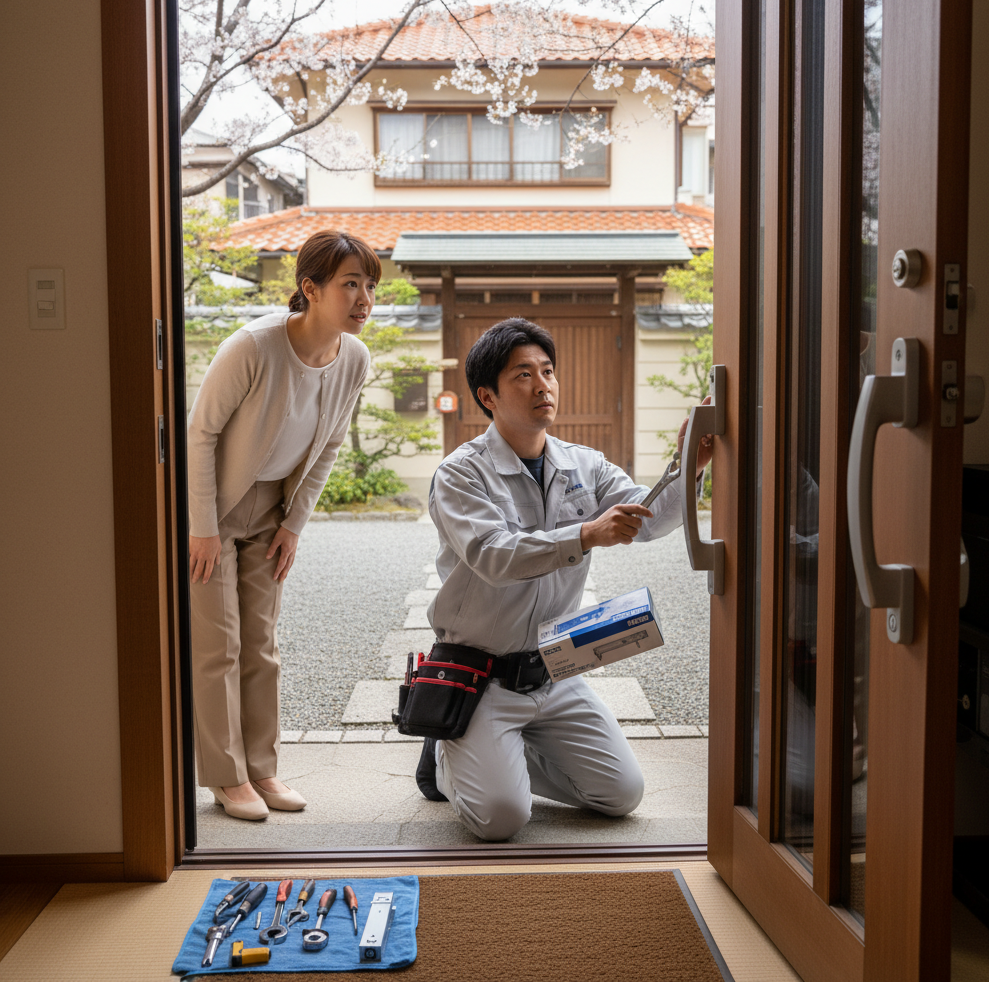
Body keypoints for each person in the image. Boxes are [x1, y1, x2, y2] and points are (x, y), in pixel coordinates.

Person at [417, 317, 713, 840]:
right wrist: (585, 535)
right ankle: (445, 755)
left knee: (621, 795)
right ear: (487, 396)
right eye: (522, 375)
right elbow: (492, 554)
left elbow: (646, 519)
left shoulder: (585, 464)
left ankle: (492, 754)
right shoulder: (460, 473)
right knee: (500, 820)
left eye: (548, 371)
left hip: (554, 669)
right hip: (482, 675)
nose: (542, 385)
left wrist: (691, 465)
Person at [187, 230, 377, 820]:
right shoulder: (253, 346)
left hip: (272, 510)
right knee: (218, 644)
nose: (364, 297)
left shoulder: (355, 359)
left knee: (262, 645)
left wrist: (295, 524)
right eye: (350, 284)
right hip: (211, 511)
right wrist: (201, 527)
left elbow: (328, 448)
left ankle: (262, 768)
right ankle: (226, 776)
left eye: (370, 285)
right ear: (310, 288)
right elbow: (200, 434)